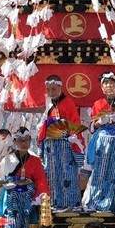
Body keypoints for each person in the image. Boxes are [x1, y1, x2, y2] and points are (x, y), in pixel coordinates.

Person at [83, 72, 115, 213]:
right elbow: (92, 128)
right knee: (100, 171)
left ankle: (112, 204)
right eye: (106, 84)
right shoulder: (98, 103)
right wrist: (100, 122)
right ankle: (96, 202)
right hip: (102, 140)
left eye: (112, 84)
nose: (109, 87)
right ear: (102, 87)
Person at [37, 75, 85, 212]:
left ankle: (71, 203)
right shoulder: (49, 103)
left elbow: (75, 121)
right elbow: (44, 123)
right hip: (50, 145)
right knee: (51, 173)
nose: (51, 92)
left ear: (60, 87)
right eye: (48, 89)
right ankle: (54, 203)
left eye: (53, 89)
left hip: (64, 143)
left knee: (67, 172)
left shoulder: (68, 102)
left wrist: (73, 136)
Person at [0, 127, 50, 228]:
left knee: (25, 222)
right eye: (21, 140)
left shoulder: (35, 160)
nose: (24, 143)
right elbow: (1, 179)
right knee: (11, 221)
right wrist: (6, 183)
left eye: (27, 140)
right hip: (11, 195)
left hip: (27, 197)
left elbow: (40, 180)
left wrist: (39, 197)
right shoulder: (7, 160)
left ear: (30, 140)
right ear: (15, 141)